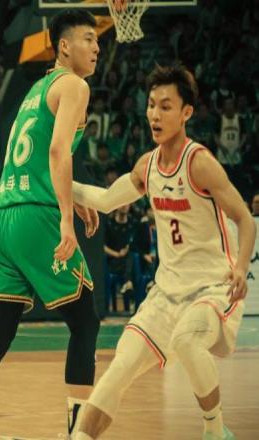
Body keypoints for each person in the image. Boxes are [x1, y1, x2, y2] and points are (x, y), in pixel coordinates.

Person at [72, 64, 256, 440]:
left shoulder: (200, 163)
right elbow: (105, 201)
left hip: (212, 288)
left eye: (166, 106)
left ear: (186, 112)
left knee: (187, 340)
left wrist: (240, 268)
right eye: (151, 105)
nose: (155, 114)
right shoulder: (148, 166)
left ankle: (214, 430)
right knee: (120, 366)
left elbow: (244, 219)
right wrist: (59, 183)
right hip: (166, 293)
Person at [0, 10, 102, 440]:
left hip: (0, 219)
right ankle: (78, 433)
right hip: (35, 218)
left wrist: (72, 197)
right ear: (64, 46)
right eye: (88, 38)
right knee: (86, 323)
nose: (97, 47)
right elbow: (59, 152)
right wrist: (65, 218)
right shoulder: (75, 85)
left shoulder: (34, 91)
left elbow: (36, 160)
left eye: (98, 40)